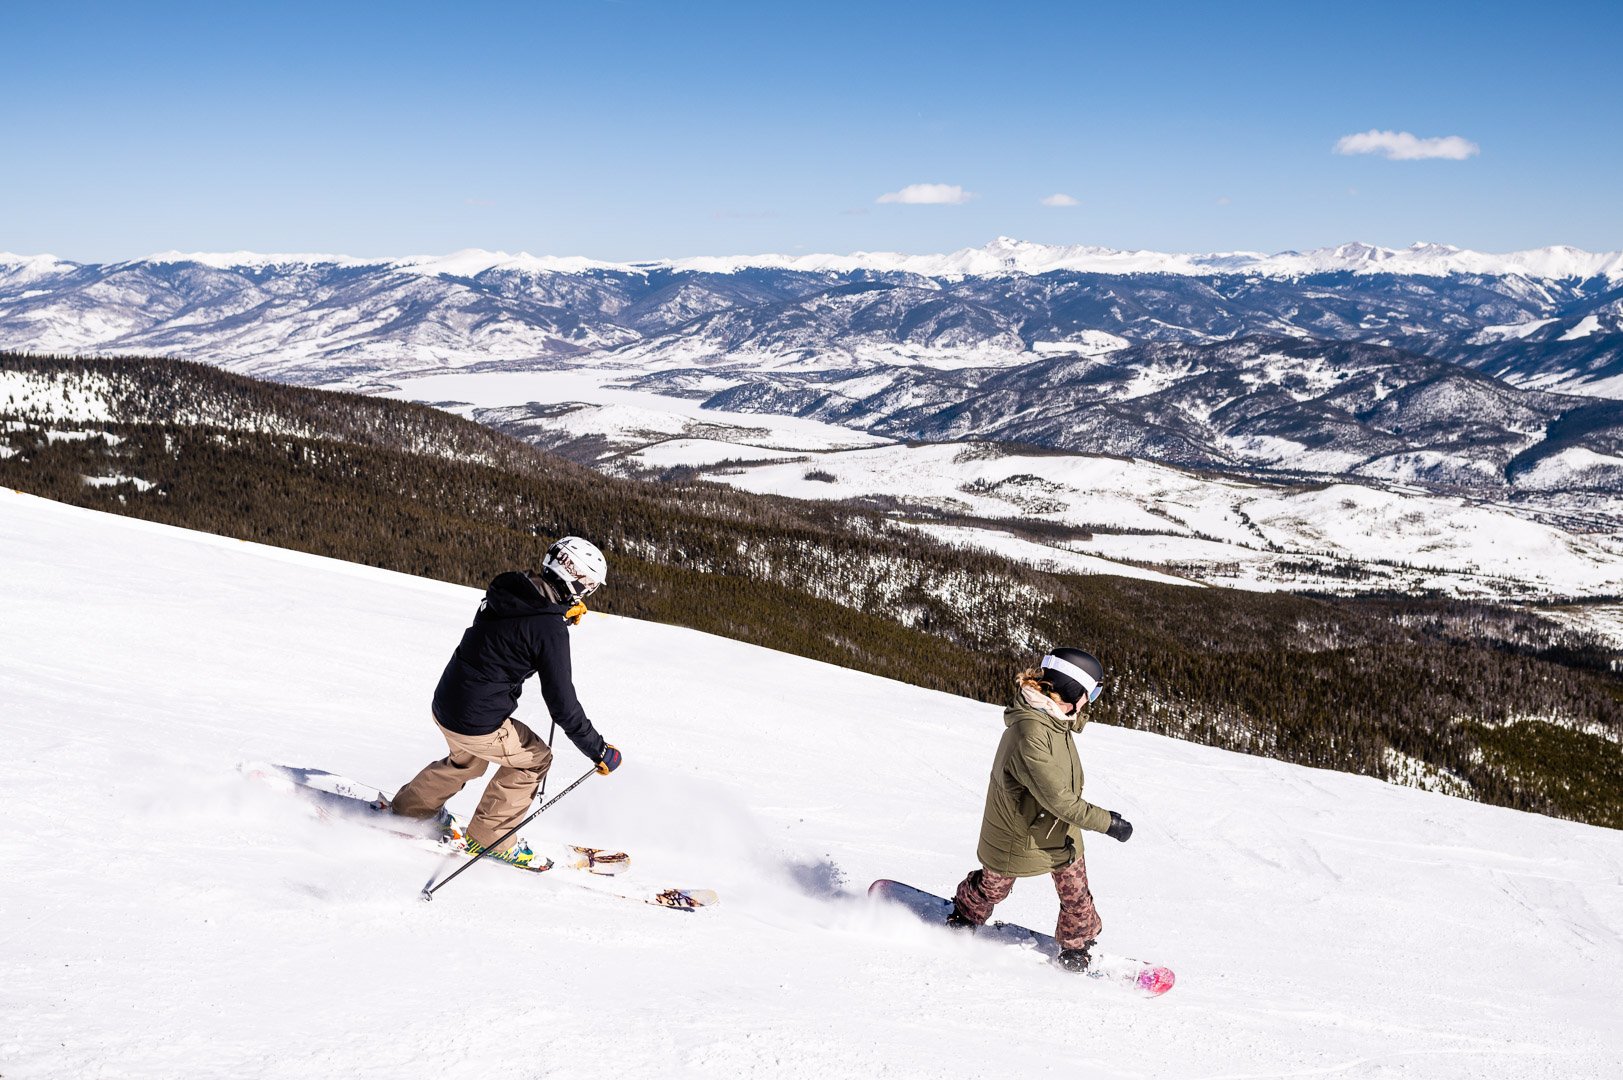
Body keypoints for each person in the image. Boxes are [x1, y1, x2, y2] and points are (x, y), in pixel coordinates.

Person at [388, 536, 622, 866]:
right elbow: (562, 705)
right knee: (535, 758)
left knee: (467, 761)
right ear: (574, 579)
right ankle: (490, 840)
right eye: (588, 585)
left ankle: (408, 811)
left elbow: (515, 632)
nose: (587, 593)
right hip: (478, 720)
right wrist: (597, 749)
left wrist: (556, 613)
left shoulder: (509, 590)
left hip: (447, 703)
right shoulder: (548, 630)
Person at [947, 647, 1134, 972]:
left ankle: (1076, 946)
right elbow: (1059, 799)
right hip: (1018, 833)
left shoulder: (1055, 719)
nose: (1090, 702)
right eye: (1089, 694)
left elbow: (1060, 795)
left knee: (1076, 894)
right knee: (994, 888)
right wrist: (1109, 823)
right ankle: (966, 912)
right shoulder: (1030, 734)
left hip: (1058, 827)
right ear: (1071, 694)